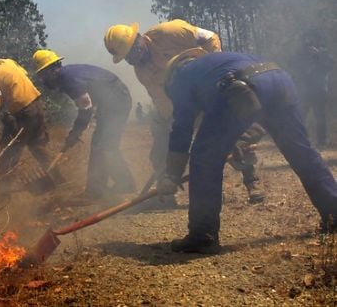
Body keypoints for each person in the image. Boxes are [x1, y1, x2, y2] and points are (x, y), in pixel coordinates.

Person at [156, 49, 337, 253]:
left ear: (172, 76)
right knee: (301, 151)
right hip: (279, 79)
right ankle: (334, 212)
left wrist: (171, 175)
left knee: (204, 158)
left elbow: (182, 129)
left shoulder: (181, 79)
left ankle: (202, 235)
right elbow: (258, 108)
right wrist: (240, 141)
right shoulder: (216, 62)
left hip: (237, 88)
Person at [104, 19, 265, 203]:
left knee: (233, 136)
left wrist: (214, 69)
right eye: (126, 58)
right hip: (181, 105)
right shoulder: (141, 72)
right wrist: (177, 129)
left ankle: (253, 182)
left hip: (208, 90)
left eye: (131, 52)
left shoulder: (170, 32)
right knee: (160, 148)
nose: (131, 59)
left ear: (139, 39)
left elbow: (210, 37)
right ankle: (167, 192)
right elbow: (163, 102)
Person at [33, 49, 135, 198]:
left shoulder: (68, 80)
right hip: (113, 98)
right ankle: (117, 184)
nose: (42, 80)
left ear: (52, 71)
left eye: (43, 75)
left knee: (103, 144)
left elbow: (86, 109)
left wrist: (74, 134)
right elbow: (88, 104)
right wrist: (75, 133)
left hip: (117, 99)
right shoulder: (65, 76)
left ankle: (101, 188)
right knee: (104, 144)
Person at [0, 59, 63, 183]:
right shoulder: (5, 61)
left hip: (23, 113)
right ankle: (60, 180)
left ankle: (3, 192)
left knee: (8, 154)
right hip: (37, 104)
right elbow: (20, 76)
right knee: (37, 146)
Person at [290, 30, 334, 148]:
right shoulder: (300, 54)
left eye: (313, 38)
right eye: (308, 39)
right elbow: (294, 67)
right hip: (303, 91)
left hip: (319, 90)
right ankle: (299, 140)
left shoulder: (324, 53)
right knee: (300, 116)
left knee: (320, 117)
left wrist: (317, 55)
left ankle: (321, 142)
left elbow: (329, 67)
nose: (310, 41)